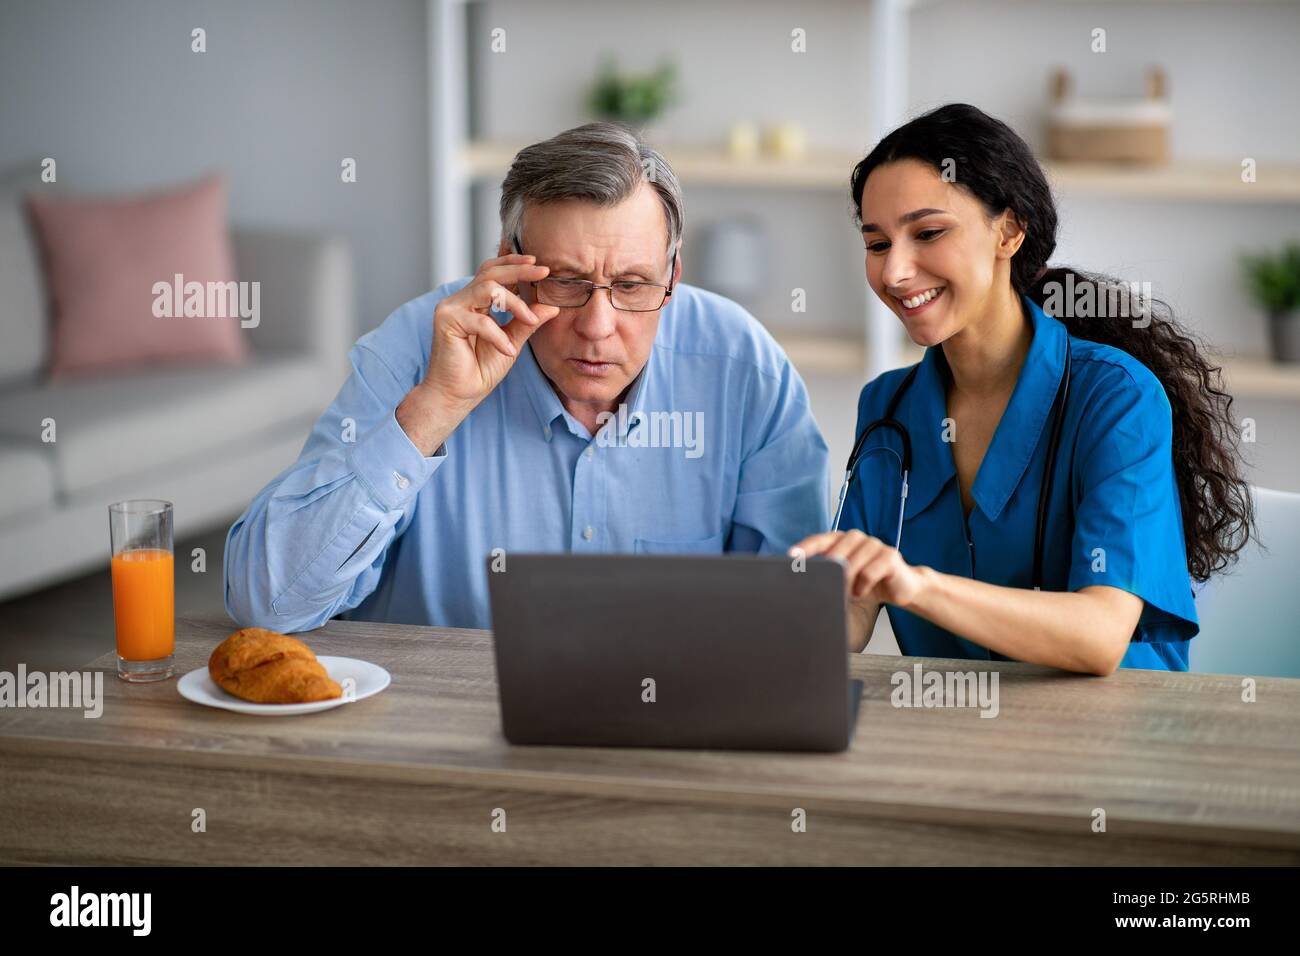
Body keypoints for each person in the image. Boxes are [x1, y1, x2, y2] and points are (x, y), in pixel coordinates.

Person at [224, 122, 828, 632]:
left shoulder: (743, 369)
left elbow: (797, 615)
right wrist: (434, 408)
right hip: (436, 740)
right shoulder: (414, 348)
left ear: (672, 277)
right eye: (565, 281)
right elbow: (266, 605)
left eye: (632, 285)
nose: (597, 326)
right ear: (507, 261)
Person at [794, 104, 1253, 674]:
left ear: (1008, 231)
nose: (894, 273)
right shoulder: (888, 407)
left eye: (928, 233)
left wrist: (914, 586)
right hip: (956, 741)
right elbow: (855, 609)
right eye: (878, 243)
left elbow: (1100, 636)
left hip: (1112, 742)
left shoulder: (1116, 397)